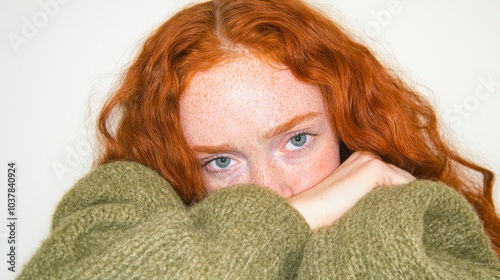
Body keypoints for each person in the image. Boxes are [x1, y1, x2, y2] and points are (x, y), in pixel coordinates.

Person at [18, 0, 500, 278]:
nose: (270, 189)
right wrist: (298, 217)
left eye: (297, 140)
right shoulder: (124, 205)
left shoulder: (408, 215)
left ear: (346, 125)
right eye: (221, 162)